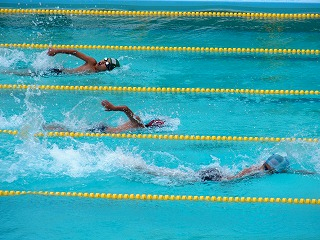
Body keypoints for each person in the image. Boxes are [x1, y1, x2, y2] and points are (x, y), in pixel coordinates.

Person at [43, 100, 165, 133]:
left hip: (104, 128)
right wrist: (113, 108)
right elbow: (125, 108)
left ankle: (45, 126)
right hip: (104, 130)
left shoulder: (138, 123)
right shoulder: (139, 124)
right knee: (70, 130)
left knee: (71, 128)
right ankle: (44, 127)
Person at [198, 154, 315, 182]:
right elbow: (233, 179)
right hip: (216, 176)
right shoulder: (255, 170)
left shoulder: (268, 169)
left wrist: (311, 173)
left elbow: (291, 171)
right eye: (265, 167)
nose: (265, 169)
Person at [47, 48, 120, 74]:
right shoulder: (92, 62)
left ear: (108, 70)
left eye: (106, 63)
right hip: (58, 72)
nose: (103, 62)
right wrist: (56, 51)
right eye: (105, 59)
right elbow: (74, 52)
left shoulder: (97, 73)